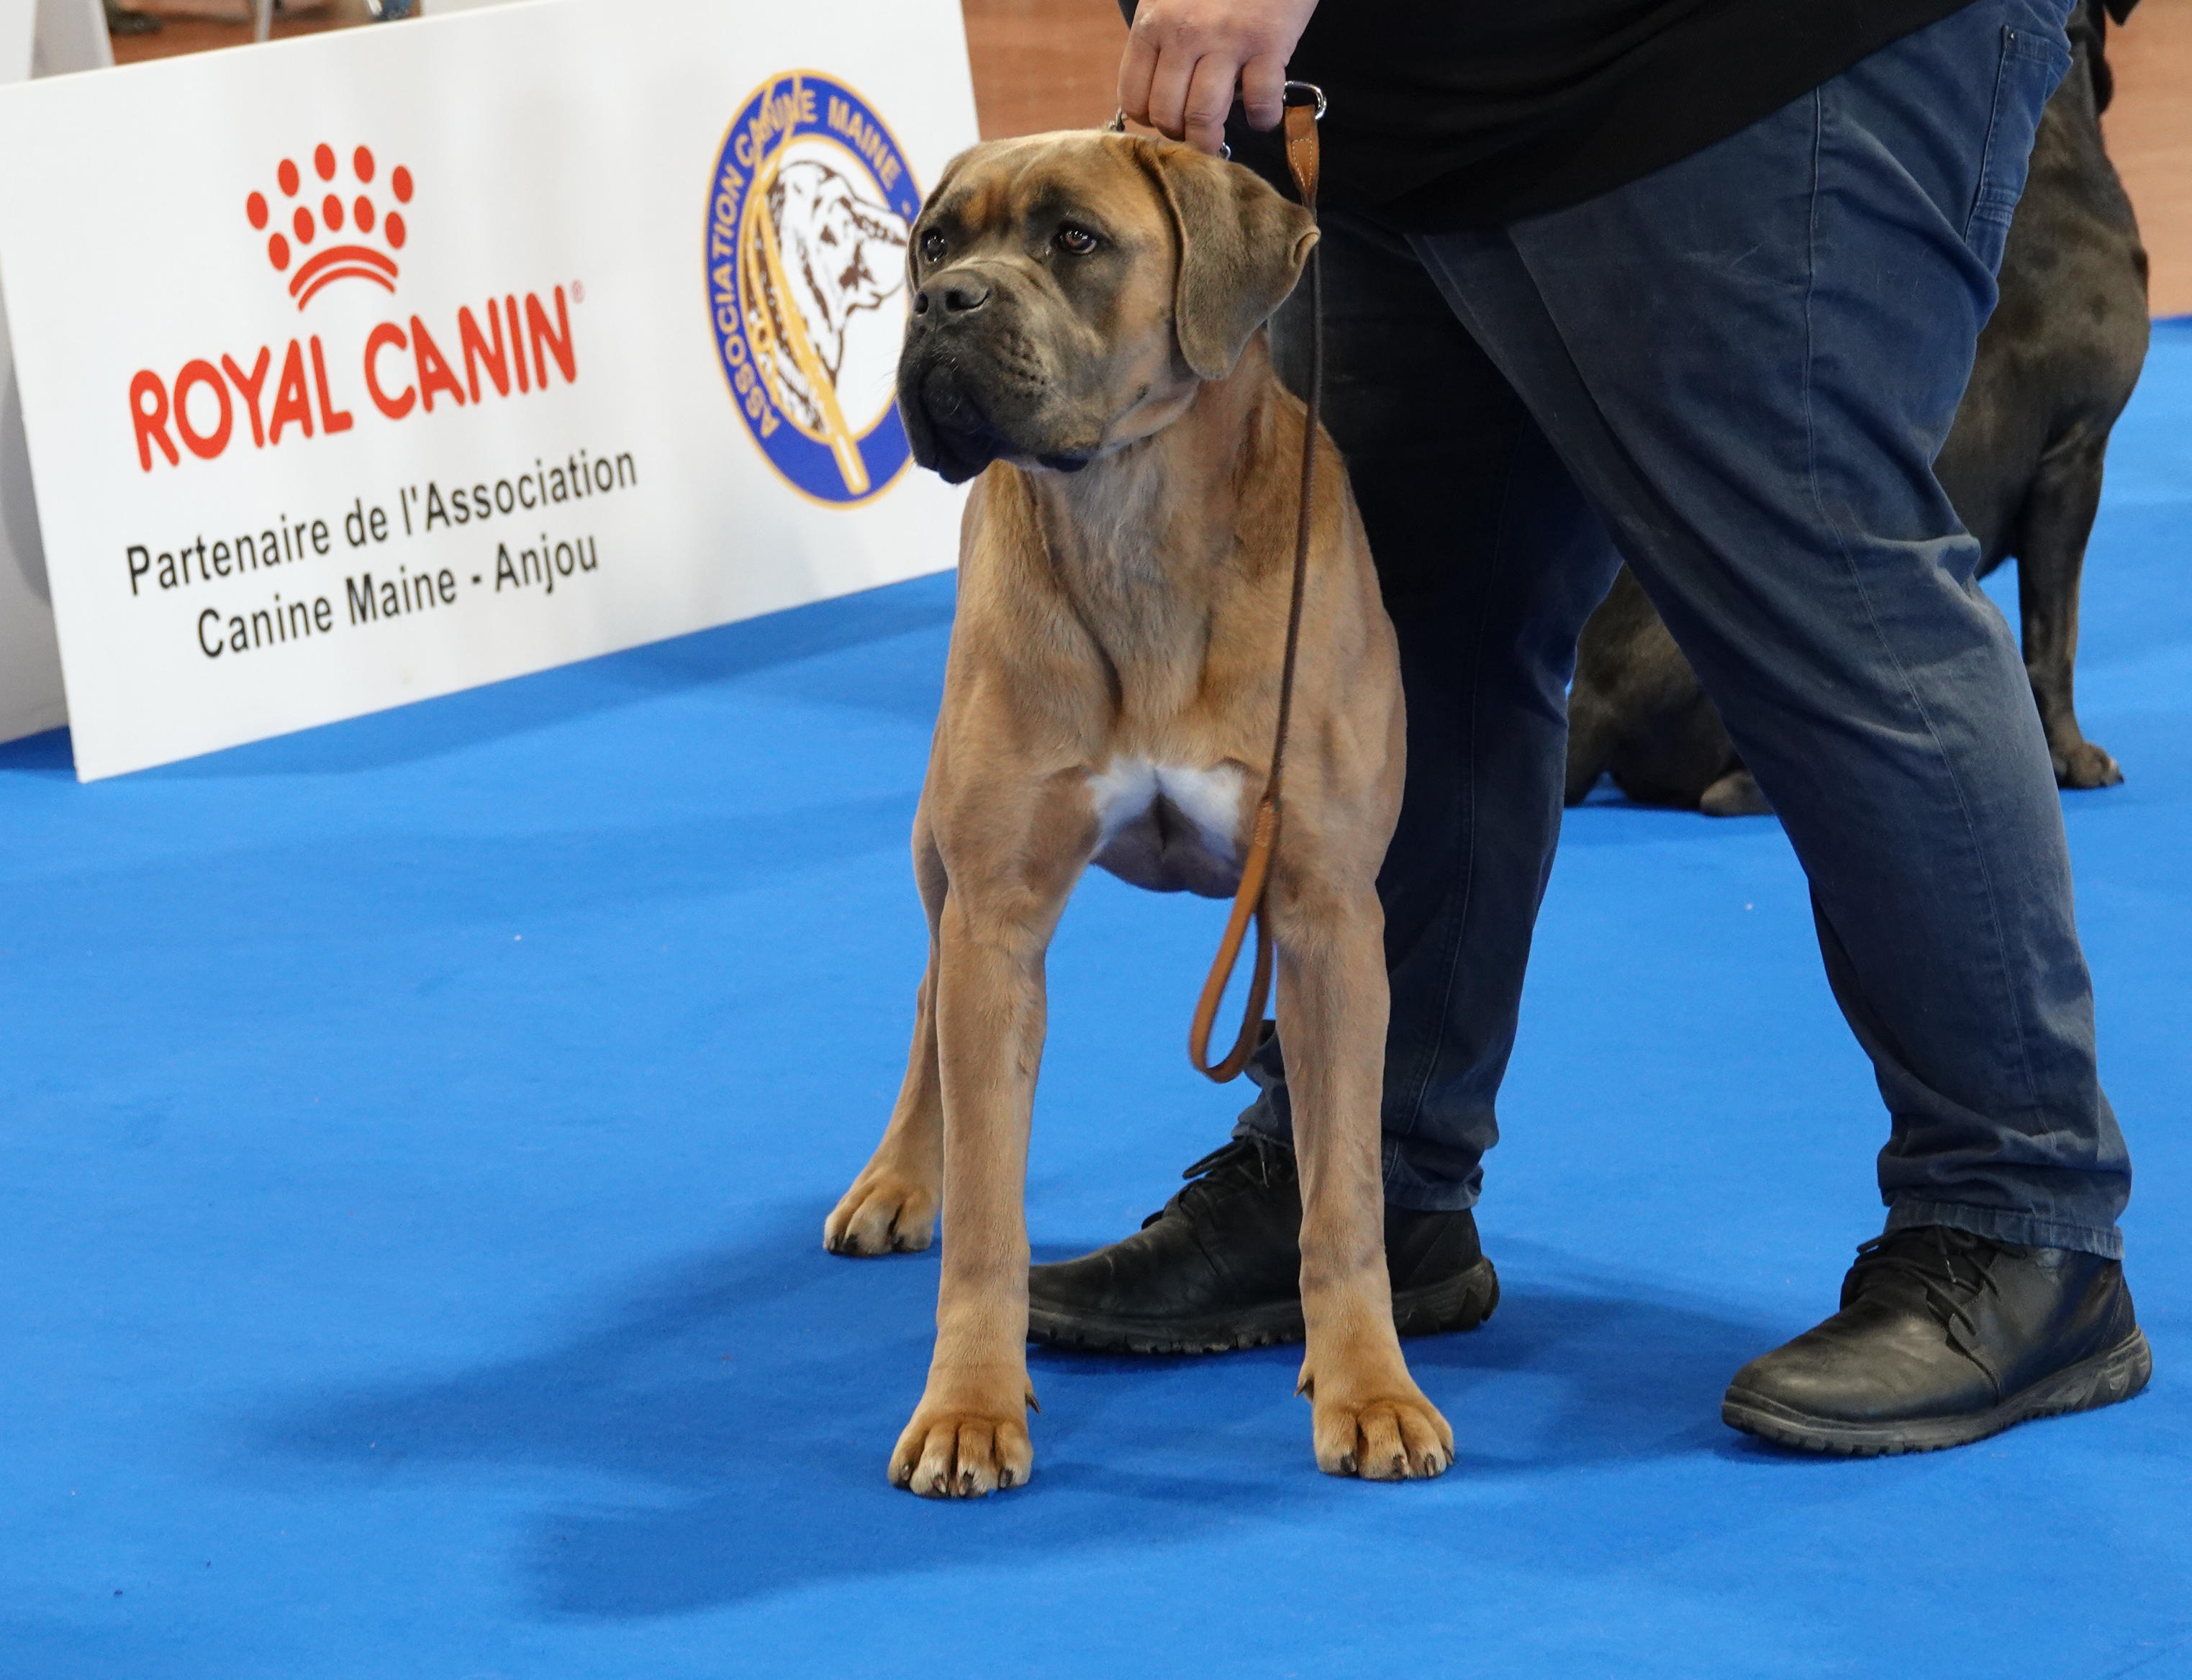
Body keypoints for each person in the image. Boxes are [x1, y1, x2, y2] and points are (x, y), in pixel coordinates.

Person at [1028, 0, 2150, 1453]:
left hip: (1744, 53)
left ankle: (2020, 1222)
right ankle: (1356, 1186)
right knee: (1399, 620)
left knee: (1819, 597)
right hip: (1424, 97)